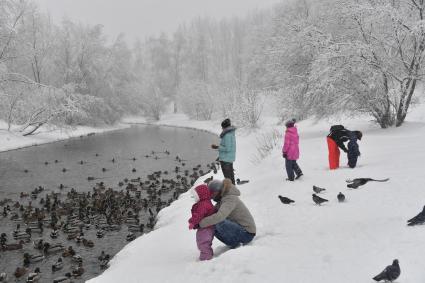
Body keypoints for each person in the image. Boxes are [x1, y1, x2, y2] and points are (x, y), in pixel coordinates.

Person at [199, 179, 256, 249]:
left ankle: (236, 244)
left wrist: (201, 223)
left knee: (219, 221)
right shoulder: (222, 200)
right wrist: (198, 218)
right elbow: (212, 212)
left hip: (247, 234)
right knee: (212, 224)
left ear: (218, 191)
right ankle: (233, 244)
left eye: (212, 194)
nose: (211, 197)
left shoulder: (230, 198)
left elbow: (220, 216)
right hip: (240, 230)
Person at [188, 184, 216, 261]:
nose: (194, 198)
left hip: (206, 228)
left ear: (201, 195)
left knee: (203, 242)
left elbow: (198, 215)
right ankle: (208, 253)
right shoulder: (206, 202)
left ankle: (206, 257)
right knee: (204, 241)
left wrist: (192, 222)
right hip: (207, 227)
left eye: (195, 196)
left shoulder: (203, 205)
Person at [211, 119, 236, 184]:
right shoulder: (231, 134)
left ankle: (230, 192)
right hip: (228, 159)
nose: (222, 128)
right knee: (231, 177)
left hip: (225, 160)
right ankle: (233, 191)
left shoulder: (227, 135)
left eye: (222, 127)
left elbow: (227, 149)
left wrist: (217, 147)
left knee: (228, 179)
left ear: (225, 127)